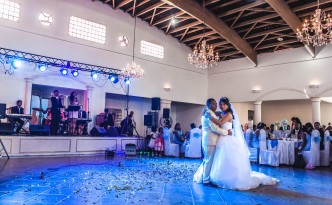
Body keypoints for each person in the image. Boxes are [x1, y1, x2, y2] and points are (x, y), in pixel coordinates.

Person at [196, 97, 278, 190]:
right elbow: (214, 116)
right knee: (215, 159)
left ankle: (225, 177)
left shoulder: (229, 114)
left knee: (226, 158)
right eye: (220, 104)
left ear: (227, 105)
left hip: (226, 139)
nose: (221, 106)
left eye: (223, 104)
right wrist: (207, 112)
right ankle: (210, 177)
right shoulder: (218, 113)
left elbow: (220, 122)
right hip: (219, 139)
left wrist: (210, 116)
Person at [193, 98, 231, 186]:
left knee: (209, 160)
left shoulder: (211, 113)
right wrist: (227, 132)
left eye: (216, 104)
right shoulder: (208, 113)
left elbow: (218, 120)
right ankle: (206, 180)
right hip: (210, 140)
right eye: (214, 104)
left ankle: (207, 177)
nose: (216, 106)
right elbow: (215, 128)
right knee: (208, 161)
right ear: (209, 105)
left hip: (213, 140)